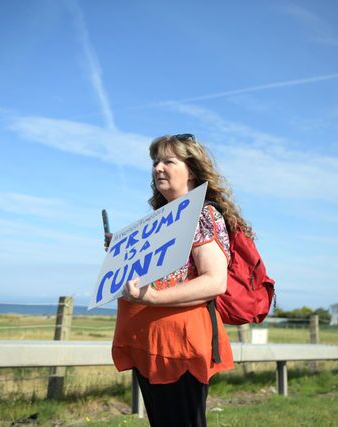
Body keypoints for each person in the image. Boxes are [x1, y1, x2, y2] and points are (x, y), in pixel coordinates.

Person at [109, 134, 253, 426]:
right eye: (155, 162)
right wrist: (123, 253)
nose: (158, 168)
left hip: (180, 348)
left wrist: (152, 298)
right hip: (150, 343)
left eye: (168, 161)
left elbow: (215, 281)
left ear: (191, 170)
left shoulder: (201, 214)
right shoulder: (161, 220)